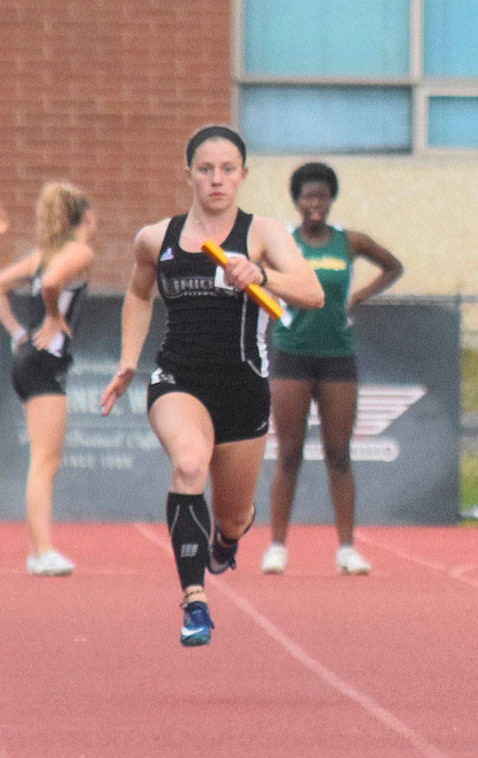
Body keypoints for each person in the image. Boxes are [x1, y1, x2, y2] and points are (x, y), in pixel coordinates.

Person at [100, 125, 323, 646]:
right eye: (206, 169)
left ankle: (226, 540)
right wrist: (129, 360)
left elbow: (311, 292)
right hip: (179, 378)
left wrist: (264, 276)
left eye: (227, 169)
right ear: (189, 175)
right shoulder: (157, 238)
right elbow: (138, 295)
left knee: (234, 515)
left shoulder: (263, 234)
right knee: (189, 465)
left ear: (243, 175)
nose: (216, 179)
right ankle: (195, 602)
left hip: (243, 389)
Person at [259, 162, 404, 576]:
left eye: (322, 196)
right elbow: (253, 276)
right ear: (298, 202)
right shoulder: (283, 243)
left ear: (331, 199)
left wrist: (358, 296)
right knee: (288, 453)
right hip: (292, 354)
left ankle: (346, 549)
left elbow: (393, 266)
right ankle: (277, 547)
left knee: (338, 454)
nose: (316, 204)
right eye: (308, 197)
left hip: (337, 355)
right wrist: (272, 304)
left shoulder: (349, 241)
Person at [0, 184, 94, 576]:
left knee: (44, 460)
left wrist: (17, 333)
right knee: (45, 462)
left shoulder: (41, 255)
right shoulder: (78, 252)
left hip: (29, 359)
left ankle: (39, 548)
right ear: (87, 217)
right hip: (45, 361)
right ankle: (42, 550)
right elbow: (51, 286)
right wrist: (51, 317)